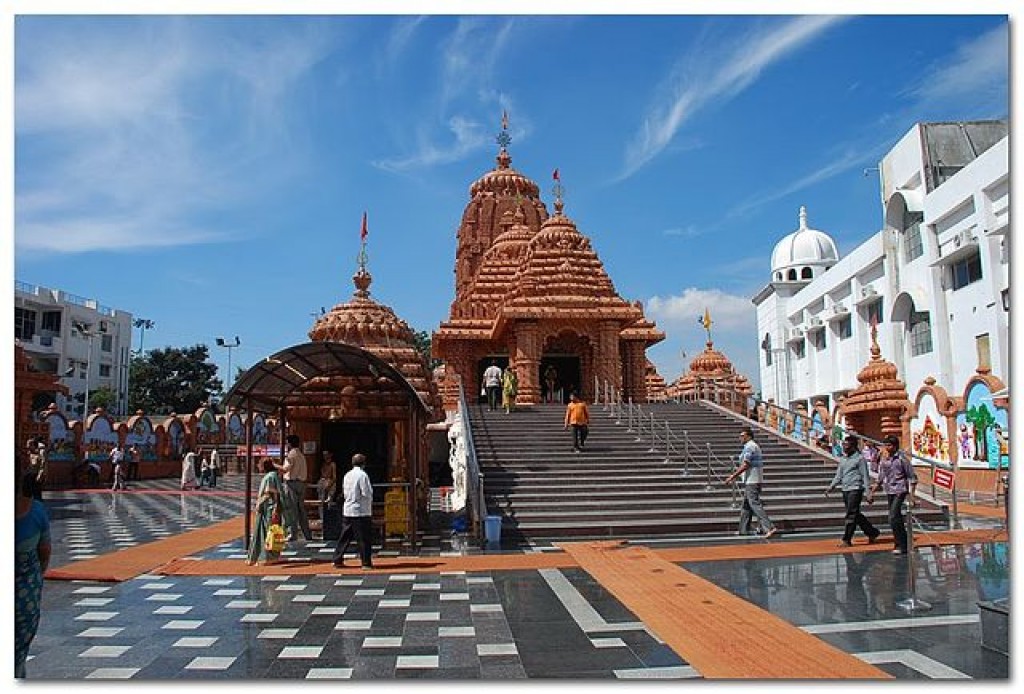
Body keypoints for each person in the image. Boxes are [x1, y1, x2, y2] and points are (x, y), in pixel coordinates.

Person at [16, 457, 52, 678]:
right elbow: (44, 553)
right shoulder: (36, 510)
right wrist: (35, 578)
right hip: (25, 595)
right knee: (17, 653)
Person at [824, 434, 880, 547]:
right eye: (844, 444)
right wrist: (831, 486)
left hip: (856, 489)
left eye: (846, 445)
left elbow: (865, 476)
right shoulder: (843, 459)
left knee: (851, 514)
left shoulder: (860, 459)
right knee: (855, 514)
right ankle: (872, 532)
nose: (844, 447)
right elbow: (838, 475)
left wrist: (868, 493)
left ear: (853, 446)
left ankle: (847, 539)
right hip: (845, 489)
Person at [866, 434, 918, 556]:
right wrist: (872, 493)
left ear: (895, 446)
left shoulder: (902, 459)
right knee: (896, 519)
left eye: (889, 445)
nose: (886, 447)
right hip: (889, 489)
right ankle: (901, 542)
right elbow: (880, 478)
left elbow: (913, 478)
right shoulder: (884, 460)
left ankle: (902, 544)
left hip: (900, 490)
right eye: (885, 445)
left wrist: (912, 496)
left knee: (893, 516)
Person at [724, 426, 779, 539]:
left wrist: (733, 476)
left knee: (754, 504)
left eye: (742, 436)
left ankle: (769, 527)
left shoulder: (750, 447)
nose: (740, 438)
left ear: (748, 436)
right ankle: (743, 529)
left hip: (752, 480)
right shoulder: (748, 446)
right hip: (751, 479)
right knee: (746, 505)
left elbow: (746, 464)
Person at [333, 453, 374, 570]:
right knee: (363, 538)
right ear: (363, 464)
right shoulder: (362, 475)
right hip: (360, 511)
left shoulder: (347, 475)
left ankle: (337, 558)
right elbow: (366, 492)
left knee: (345, 536)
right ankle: (366, 562)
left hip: (348, 509)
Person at [246, 458, 284, 566]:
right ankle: (268, 556)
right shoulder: (273, 475)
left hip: (268, 509)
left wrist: (259, 504)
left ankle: (267, 557)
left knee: (266, 533)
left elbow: (270, 494)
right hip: (268, 508)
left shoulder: (270, 477)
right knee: (267, 533)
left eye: (259, 464)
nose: (258, 466)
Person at [276, 435, 312, 543]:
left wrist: (274, 465)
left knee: (292, 510)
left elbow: (285, 469)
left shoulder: (291, 455)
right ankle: (307, 534)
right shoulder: (301, 455)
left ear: (290, 444)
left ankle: (293, 534)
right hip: (301, 483)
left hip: (292, 483)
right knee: (301, 510)